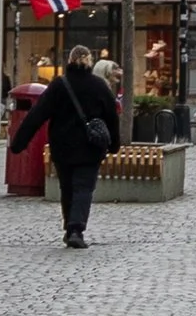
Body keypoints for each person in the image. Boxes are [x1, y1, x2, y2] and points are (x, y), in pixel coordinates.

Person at [10, 45, 122, 249]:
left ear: (69, 61)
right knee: (84, 187)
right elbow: (111, 117)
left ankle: (69, 227)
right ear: (89, 61)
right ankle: (76, 228)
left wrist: (18, 143)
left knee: (67, 187)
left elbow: (37, 115)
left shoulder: (59, 85)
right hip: (91, 147)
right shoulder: (99, 86)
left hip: (63, 147)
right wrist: (114, 144)